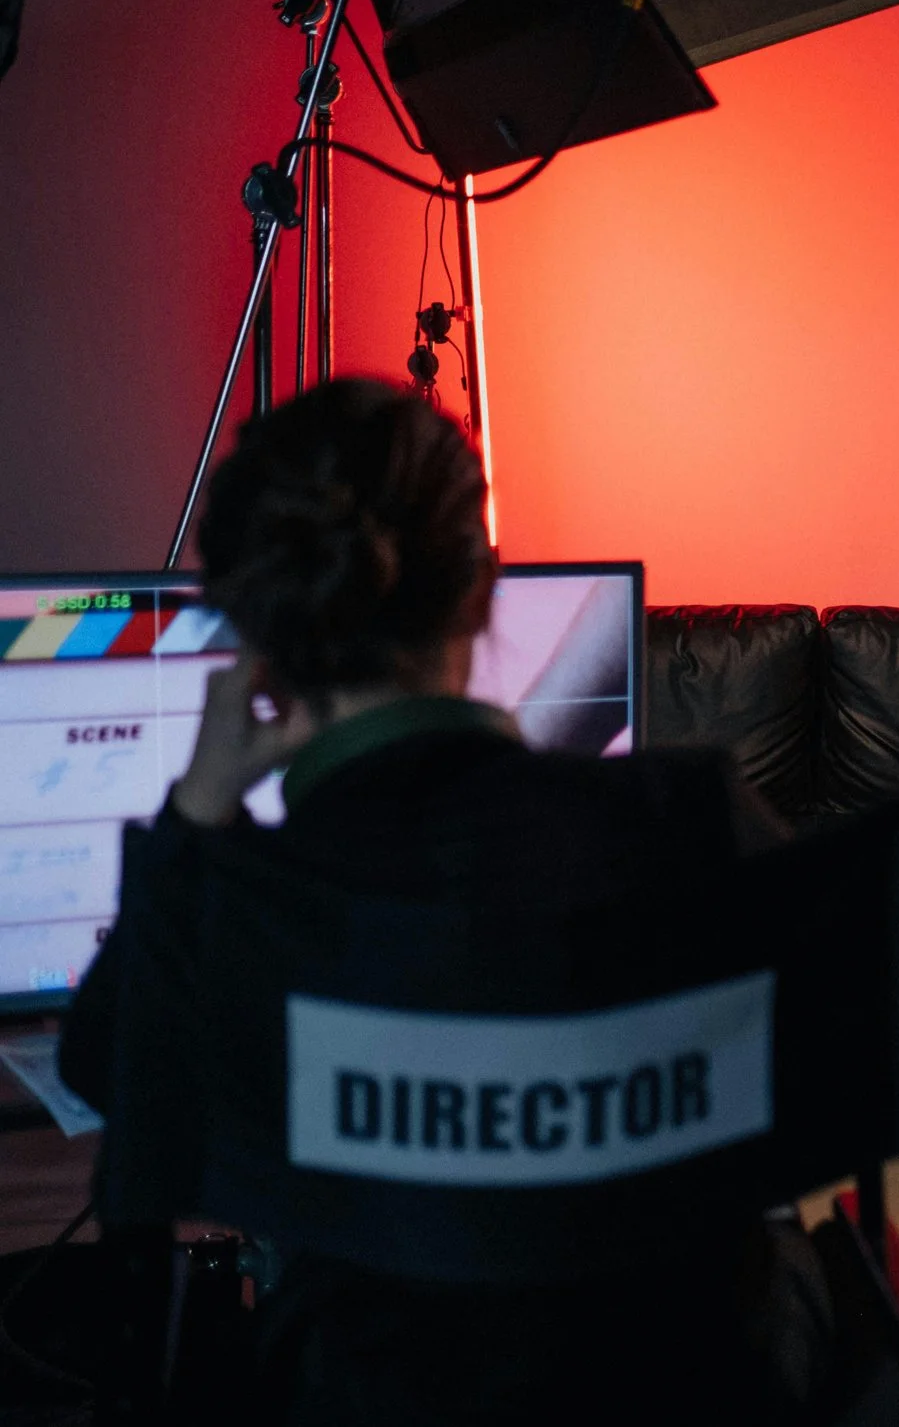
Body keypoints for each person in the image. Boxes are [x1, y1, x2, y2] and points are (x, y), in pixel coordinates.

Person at [59, 380, 821, 1423]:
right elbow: (829, 1054)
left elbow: (107, 1066)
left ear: (258, 642)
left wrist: (199, 805)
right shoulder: (693, 821)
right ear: (481, 586)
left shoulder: (237, 913)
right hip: (696, 1388)